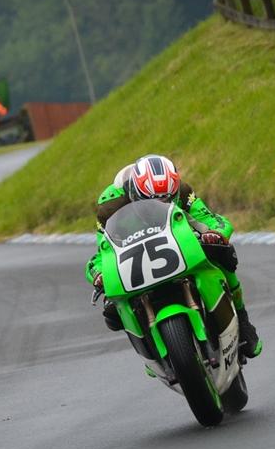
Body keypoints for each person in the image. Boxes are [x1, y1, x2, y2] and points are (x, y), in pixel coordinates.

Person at [84, 154, 262, 360]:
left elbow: (212, 220)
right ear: (134, 192)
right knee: (112, 309)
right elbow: (103, 252)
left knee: (224, 254)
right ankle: (150, 349)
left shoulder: (183, 191)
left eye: (167, 198)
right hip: (134, 254)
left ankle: (243, 320)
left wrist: (216, 234)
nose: (159, 203)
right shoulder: (110, 206)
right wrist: (99, 274)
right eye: (151, 200)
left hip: (176, 241)